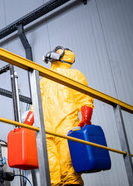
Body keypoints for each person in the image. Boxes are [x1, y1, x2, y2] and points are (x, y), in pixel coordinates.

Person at [24, 46, 94, 186]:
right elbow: (35, 106)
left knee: (69, 171)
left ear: (65, 56)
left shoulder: (74, 74)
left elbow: (84, 98)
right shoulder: (44, 80)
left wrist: (86, 118)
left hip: (67, 129)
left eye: (57, 53)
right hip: (47, 132)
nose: (53, 54)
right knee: (52, 173)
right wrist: (27, 124)